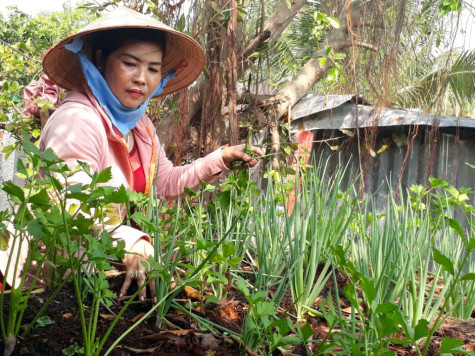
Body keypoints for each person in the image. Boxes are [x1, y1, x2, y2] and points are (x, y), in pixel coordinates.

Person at [0, 7, 263, 299]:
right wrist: (131, 240)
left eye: (152, 69)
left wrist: (221, 158)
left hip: (90, 275)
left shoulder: (139, 126)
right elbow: (72, 207)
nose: (142, 78)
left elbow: (166, 183)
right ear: (100, 60)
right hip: (40, 285)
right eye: (130, 63)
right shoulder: (78, 120)